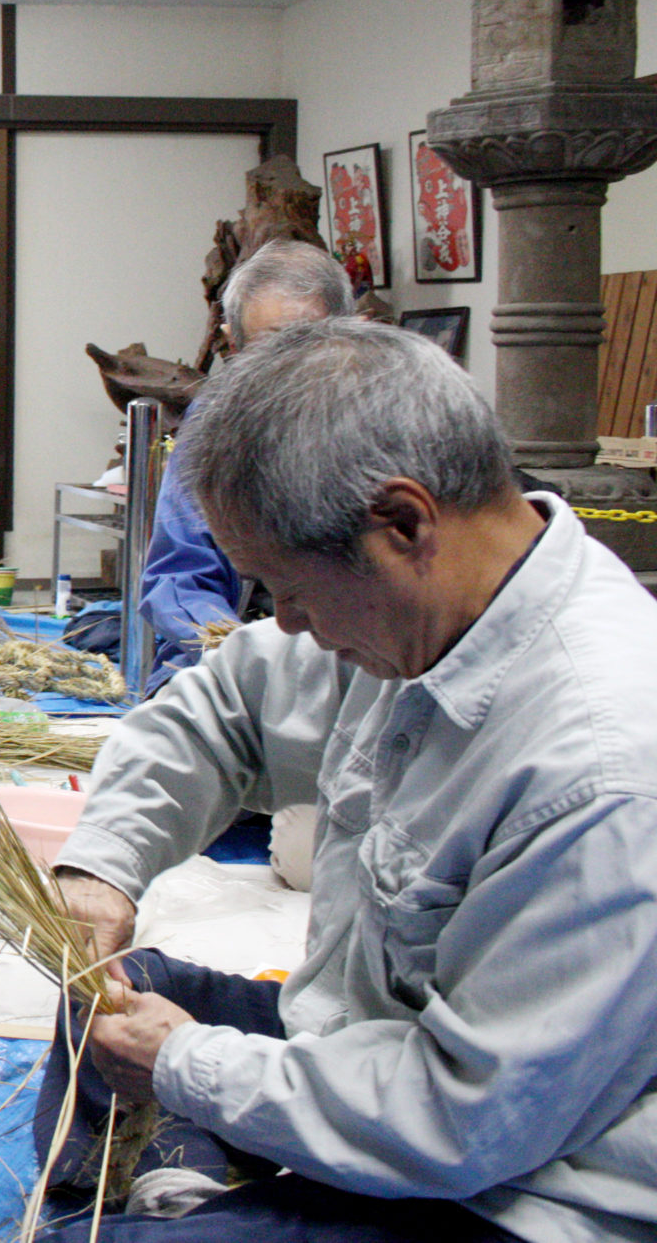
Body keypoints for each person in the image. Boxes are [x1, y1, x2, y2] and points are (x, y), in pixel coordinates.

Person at [36, 319, 657, 1242]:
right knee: (120, 992)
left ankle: (192, 1194)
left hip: (511, 1184)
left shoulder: (600, 766)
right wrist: (103, 869)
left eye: (286, 587)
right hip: (365, 1042)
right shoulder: (420, 609)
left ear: (403, 523)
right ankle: (169, 1194)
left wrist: (190, 1067)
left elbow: (466, 1119)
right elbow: (217, 713)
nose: (282, 622)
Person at [138, 240, 353, 693]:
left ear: (351, 334)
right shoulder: (216, 422)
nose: (289, 367)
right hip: (229, 661)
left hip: (355, 655)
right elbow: (177, 577)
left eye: (310, 343)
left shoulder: (385, 411)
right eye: (270, 348)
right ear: (233, 347)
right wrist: (239, 647)